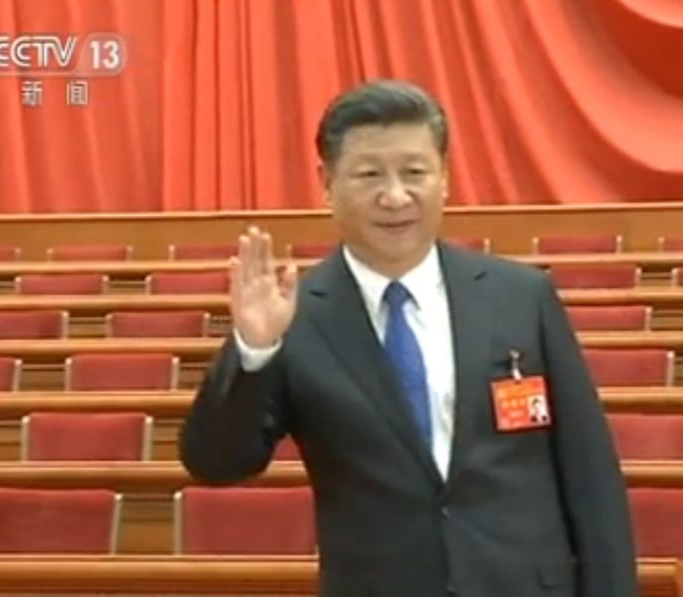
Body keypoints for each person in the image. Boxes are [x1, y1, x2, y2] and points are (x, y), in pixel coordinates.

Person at [179, 79, 637, 597]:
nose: (395, 196)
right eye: (369, 174)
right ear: (327, 183)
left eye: (414, 172)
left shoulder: (520, 297)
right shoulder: (296, 316)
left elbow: (590, 476)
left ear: (445, 177)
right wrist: (255, 350)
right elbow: (217, 462)